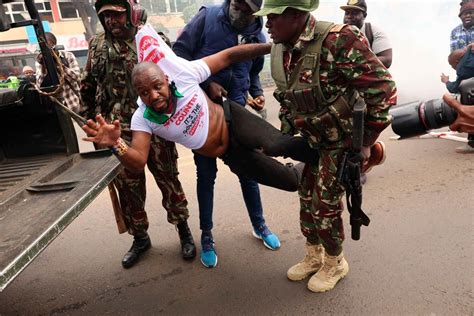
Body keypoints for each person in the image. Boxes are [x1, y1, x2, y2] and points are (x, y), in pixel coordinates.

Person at [254, 0, 396, 292]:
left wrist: (367, 142)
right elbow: (287, 100)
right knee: (306, 198)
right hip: (310, 141)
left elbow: (384, 90)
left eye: (272, 18)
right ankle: (314, 254)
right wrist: (287, 138)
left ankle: (335, 261)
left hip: (341, 141)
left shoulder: (339, 39)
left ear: (295, 16)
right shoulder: (281, 49)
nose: (266, 25)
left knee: (325, 204)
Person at [82, 25, 316, 196]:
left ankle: (328, 150)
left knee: (277, 145)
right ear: (138, 94)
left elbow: (229, 56)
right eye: (144, 92)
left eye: (157, 86)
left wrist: (274, 48)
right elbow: (138, 161)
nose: (154, 95)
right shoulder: (142, 118)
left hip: (233, 119)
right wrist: (115, 144)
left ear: (166, 78)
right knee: (290, 181)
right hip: (229, 153)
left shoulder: (183, 74)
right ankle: (318, 160)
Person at [80, 0, 196, 269]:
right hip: (119, 131)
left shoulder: (152, 39)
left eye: (116, 15)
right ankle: (140, 238)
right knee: (129, 189)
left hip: (156, 127)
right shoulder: (97, 46)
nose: (111, 21)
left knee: (169, 180)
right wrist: (91, 123)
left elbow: (175, 79)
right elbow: (87, 86)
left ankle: (184, 231)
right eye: (105, 16)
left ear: (131, 14)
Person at [173, 0, 278, 268]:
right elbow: (178, 59)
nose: (241, 13)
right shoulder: (206, 18)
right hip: (204, 116)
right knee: (206, 177)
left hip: (237, 114)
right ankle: (206, 236)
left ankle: (259, 225)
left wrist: (255, 92)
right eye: (238, 5)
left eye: (248, 11)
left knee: (249, 172)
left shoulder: (258, 35)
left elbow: (253, 71)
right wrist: (208, 84)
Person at [35, 32, 82, 113]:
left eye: (49, 46)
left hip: (74, 103)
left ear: (54, 45)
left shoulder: (68, 56)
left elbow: (77, 76)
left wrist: (58, 64)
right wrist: (44, 66)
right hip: (59, 109)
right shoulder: (40, 62)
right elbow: (39, 85)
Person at [340, 0, 392, 68]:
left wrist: (357, 65)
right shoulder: (337, 33)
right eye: (347, 13)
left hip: (368, 77)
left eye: (354, 13)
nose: (349, 16)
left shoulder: (374, 32)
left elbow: (387, 60)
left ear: (364, 15)